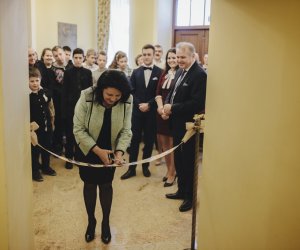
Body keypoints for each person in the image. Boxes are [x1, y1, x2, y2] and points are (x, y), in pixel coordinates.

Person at [73, 70, 132, 244]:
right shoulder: (87, 96)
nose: (113, 99)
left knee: (106, 185)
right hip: (88, 147)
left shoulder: (127, 99)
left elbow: (126, 130)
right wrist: (97, 151)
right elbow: (78, 128)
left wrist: (119, 152)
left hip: (110, 147)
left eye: (117, 95)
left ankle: (105, 222)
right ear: (101, 90)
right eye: (109, 94)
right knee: (89, 184)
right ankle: (91, 221)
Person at [163, 42, 207, 212]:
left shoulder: (199, 75)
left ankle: (190, 197)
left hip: (189, 127)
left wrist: (172, 108)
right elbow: (172, 94)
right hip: (176, 124)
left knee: (188, 162)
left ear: (192, 56)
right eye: (177, 57)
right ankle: (181, 191)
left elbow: (197, 103)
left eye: (182, 57)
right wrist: (167, 107)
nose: (179, 60)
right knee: (179, 161)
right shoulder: (181, 71)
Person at [121, 44, 163, 179]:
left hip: (151, 112)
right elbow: (131, 91)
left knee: (149, 141)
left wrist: (149, 104)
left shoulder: (160, 72)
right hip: (137, 112)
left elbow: (160, 92)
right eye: (144, 54)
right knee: (134, 141)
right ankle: (131, 168)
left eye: (149, 54)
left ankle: (145, 167)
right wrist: (139, 104)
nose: (146, 57)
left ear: (154, 55)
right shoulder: (136, 72)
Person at [62, 48, 93, 169]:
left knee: (82, 134)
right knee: (70, 134)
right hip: (70, 108)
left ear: (83, 58)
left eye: (80, 58)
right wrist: (64, 111)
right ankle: (69, 158)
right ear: (73, 58)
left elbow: (90, 92)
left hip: (84, 108)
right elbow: (64, 92)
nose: (78, 60)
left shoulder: (87, 72)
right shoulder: (68, 72)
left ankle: (79, 157)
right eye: (76, 58)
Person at [155, 48, 178, 187]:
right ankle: (168, 169)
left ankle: (172, 172)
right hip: (161, 112)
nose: (171, 60)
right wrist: (160, 108)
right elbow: (158, 92)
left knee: (172, 145)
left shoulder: (180, 74)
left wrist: (168, 111)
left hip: (173, 113)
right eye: (169, 58)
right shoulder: (164, 73)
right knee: (163, 144)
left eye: (174, 58)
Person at [29, 67, 57, 181]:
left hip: (47, 127)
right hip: (35, 129)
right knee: (35, 150)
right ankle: (35, 171)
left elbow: (51, 108)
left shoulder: (45, 92)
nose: (35, 83)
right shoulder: (27, 95)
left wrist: (52, 122)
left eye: (37, 80)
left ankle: (46, 167)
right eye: (32, 81)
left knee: (46, 148)